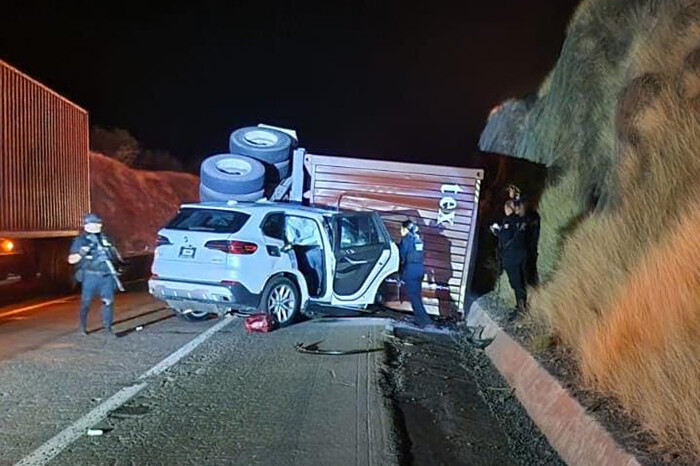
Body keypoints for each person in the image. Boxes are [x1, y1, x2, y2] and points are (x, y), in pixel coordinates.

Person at [68, 213, 123, 336]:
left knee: (108, 302)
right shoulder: (80, 240)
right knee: (86, 302)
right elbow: (71, 260)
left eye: (98, 224)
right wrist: (83, 252)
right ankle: (82, 327)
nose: (96, 226)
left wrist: (117, 264)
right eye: (93, 224)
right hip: (90, 275)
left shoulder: (106, 238)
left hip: (107, 275)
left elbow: (116, 255)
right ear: (86, 225)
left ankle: (108, 328)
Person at [490, 200, 528, 314]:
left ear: (508, 209)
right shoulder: (522, 220)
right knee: (522, 279)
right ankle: (522, 303)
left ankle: (521, 307)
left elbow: (505, 237)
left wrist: (496, 231)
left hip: (512, 257)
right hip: (523, 254)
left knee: (516, 283)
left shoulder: (508, 221)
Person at [399, 219, 432, 328]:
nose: (400, 231)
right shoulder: (418, 239)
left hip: (411, 270)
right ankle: (422, 319)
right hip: (420, 269)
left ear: (405, 229)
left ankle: (423, 320)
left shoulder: (406, 239)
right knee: (416, 295)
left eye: (401, 228)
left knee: (413, 296)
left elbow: (402, 255)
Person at [518, 196, 541, 287]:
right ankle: (534, 286)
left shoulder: (532, 216)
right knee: (530, 269)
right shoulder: (533, 216)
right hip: (530, 248)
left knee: (530, 269)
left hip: (529, 248)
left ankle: (534, 286)